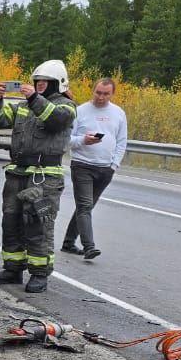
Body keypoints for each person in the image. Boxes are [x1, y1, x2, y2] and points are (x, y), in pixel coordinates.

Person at [0, 60, 77, 293]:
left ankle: (39, 274)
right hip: (17, 173)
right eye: (37, 81)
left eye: (45, 82)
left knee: (37, 224)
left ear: (58, 84)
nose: (40, 85)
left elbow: (54, 120)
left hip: (44, 177)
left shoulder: (66, 106)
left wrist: (35, 98)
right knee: (11, 221)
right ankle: (13, 269)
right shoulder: (24, 106)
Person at [62, 78, 127, 261]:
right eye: (98, 92)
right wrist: (84, 140)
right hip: (82, 165)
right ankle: (89, 246)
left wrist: (114, 165)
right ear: (93, 91)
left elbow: (121, 142)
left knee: (87, 206)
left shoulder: (118, 113)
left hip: (105, 169)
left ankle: (68, 242)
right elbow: (66, 139)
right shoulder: (80, 111)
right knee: (84, 206)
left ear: (112, 94)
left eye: (106, 94)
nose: (101, 97)